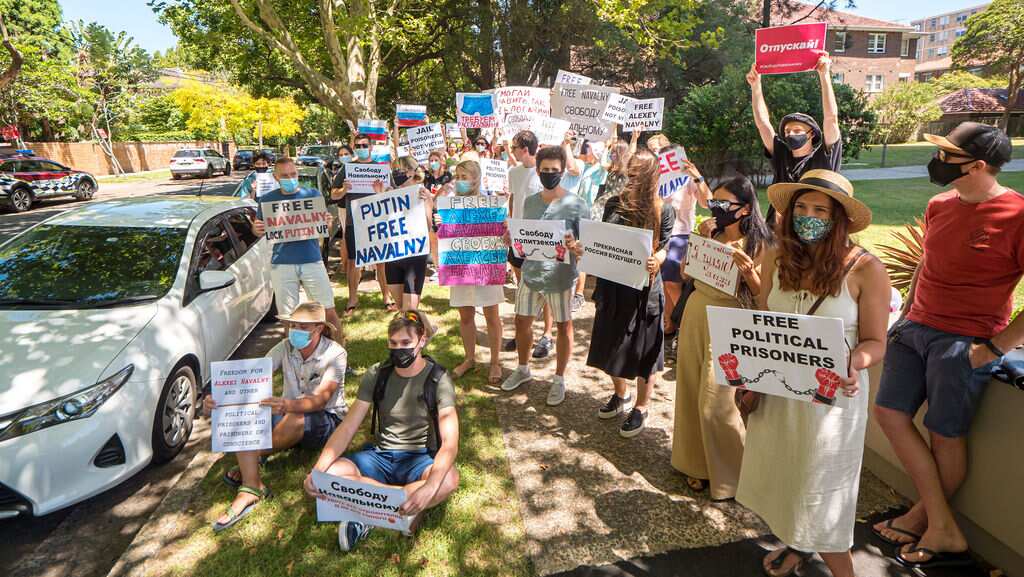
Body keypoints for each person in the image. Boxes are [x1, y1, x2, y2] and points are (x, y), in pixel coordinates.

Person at [871, 123, 1019, 569]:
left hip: (964, 341)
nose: (937, 162)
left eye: (948, 155)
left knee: (945, 435)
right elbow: (925, 263)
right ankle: (940, 521)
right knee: (889, 413)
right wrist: (906, 314)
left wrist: (992, 350)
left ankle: (930, 521)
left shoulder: (1017, 214)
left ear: (976, 166)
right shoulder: (940, 205)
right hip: (915, 329)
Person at [736, 170, 890, 577]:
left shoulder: (866, 269)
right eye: (801, 207)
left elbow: (876, 342)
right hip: (780, 390)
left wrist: (855, 362)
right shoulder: (775, 255)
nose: (808, 215)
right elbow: (765, 318)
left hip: (832, 401)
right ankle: (797, 544)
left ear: (838, 218)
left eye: (820, 209)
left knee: (822, 494)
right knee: (788, 477)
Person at [303, 310, 459, 552]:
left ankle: (364, 508)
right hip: (380, 455)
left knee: (448, 480)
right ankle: (399, 508)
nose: (399, 349)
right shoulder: (378, 373)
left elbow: (450, 442)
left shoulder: (438, 379)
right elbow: (347, 427)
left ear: (423, 340)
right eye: (393, 343)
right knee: (330, 473)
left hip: (420, 457)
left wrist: (429, 486)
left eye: (406, 343)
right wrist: (318, 471)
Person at [670, 176, 772, 498]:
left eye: (723, 204)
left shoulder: (761, 245)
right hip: (697, 315)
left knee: (717, 402)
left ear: (744, 209)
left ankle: (733, 474)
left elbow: (765, 300)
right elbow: (686, 273)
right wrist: (699, 242)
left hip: (731, 322)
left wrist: (749, 274)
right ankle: (693, 464)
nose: (716, 209)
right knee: (689, 390)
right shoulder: (710, 231)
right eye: (713, 203)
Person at [206, 302, 347, 531]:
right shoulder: (284, 347)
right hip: (287, 413)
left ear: (319, 328)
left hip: (326, 419)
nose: (295, 330)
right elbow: (252, 376)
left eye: (302, 325)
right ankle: (252, 486)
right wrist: (219, 398)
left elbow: (321, 400)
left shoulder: (336, 353)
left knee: (295, 416)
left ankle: (251, 459)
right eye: (293, 324)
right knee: (248, 407)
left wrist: (287, 405)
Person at [566, 149, 674, 437]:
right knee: (609, 345)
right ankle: (620, 394)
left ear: (653, 176)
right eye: (631, 171)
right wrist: (580, 249)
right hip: (613, 288)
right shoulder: (613, 202)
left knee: (643, 353)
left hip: (644, 292)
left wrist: (658, 259)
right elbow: (601, 241)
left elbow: (665, 245)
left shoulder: (662, 208)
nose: (632, 177)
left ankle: (641, 406)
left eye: (639, 173)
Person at [501, 145, 590, 406]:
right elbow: (526, 235)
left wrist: (575, 245)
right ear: (538, 171)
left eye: (555, 170)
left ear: (563, 171)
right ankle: (523, 367)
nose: (550, 173)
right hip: (531, 274)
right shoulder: (530, 202)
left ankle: (559, 378)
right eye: (545, 170)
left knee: (564, 326)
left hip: (561, 278)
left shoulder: (577, 205)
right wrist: (511, 237)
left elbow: (587, 245)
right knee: (521, 322)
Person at [747, 53, 841, 226]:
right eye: (787, 131)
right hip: (777, 231)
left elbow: (831, 118)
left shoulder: (824, 156)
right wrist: (756, 87)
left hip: (813, 231)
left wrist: (824, 75)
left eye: (797, 130)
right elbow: (763, 124)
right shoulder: (781, 154)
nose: (790, 134)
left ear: (811, 134)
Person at [251, 157, 341, 336]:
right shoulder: (268, 200)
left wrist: (328, 224)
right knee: (288, 317)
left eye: (293, 174)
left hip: (312, 260)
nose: (290, 178)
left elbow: (323, 230)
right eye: (285, 175)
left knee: (328, 312)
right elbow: (259, 229)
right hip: (282, 263)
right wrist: (255, 229)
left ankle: (339, 354)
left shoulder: (313, 195)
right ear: (276, 178)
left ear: (298, 174)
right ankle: (292, 358)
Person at [435, 160, 505, 384]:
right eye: (458, 176)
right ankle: (470, 358)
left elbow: (500, 234)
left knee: (491, 315)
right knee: (465, 316)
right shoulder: (450, 205)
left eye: (464, 176)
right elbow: (445, 237)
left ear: (476, 178)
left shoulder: (490, 204)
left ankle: (495, 362)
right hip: (461, 266)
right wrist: (441, 223)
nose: (460, 181)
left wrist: (504, 230)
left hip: (486, 267)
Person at [331, 133, 397, 315]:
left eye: (364, 145)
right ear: (354, 147)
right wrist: (344, 190)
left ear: (371, 147)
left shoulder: (382, 170)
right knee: (353, 262)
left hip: (377, 222)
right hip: (354, 223)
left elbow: (392, 194)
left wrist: (381, 192)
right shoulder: (347, 169)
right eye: (358, 146)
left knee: (382, 261)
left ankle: (386, 297)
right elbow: (333, 195)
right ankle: (352, 299)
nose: (361, 148)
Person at [505, 130, 555, 359]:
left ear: (524, 149)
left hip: (540, 240)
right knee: (522, 284)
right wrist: (509, 224)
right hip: (517, 239)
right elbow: (514, 198)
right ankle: (524, 332)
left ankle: (547, 335)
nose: (512, 152)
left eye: (514, 148)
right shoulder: (514, 172)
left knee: (545, 289)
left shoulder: (545, 173)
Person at [662, 152, 712, 357]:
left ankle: (684, 330)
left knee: (674, 283)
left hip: (680, 236)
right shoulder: (658, 177)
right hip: (659, 235)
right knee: (665, 285)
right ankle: (669, 330)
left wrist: (697, 176)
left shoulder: (688, 179)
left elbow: (707, 203)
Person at [383, 161, 431, 311]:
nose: (400, 173)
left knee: (409, 310)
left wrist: (427, 201)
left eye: (404, 170)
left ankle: (417, 333)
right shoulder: (389, 194)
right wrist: (380, 195)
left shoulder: (423, 194)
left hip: (414, 255)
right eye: (397, 170)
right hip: (393, 255)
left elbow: (428, 226)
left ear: (412, 173)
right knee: (402, 309)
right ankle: (427, 330)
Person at [590, 140, 630, 221]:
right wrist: (606, 147)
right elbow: (603, 163)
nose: (611, 154)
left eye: (614, 152)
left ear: (621, 153)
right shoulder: (612, 168)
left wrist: (634, 138)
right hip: (600, 205)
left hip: (611, 208)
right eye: (611, 151)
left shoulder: (626, 172)